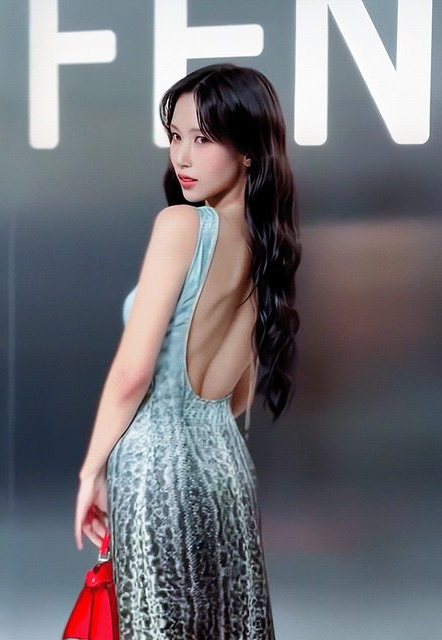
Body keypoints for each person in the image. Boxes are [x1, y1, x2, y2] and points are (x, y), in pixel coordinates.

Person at [73, 63, 302, 639]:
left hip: (155, 470)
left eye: (203, 138)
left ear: (247, 149)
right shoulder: (267, 246)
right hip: (226, 469)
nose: (183, 156)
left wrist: (91, 470)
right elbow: (238, 394)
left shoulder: (182, 225)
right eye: (176, 136)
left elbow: (133, 373)